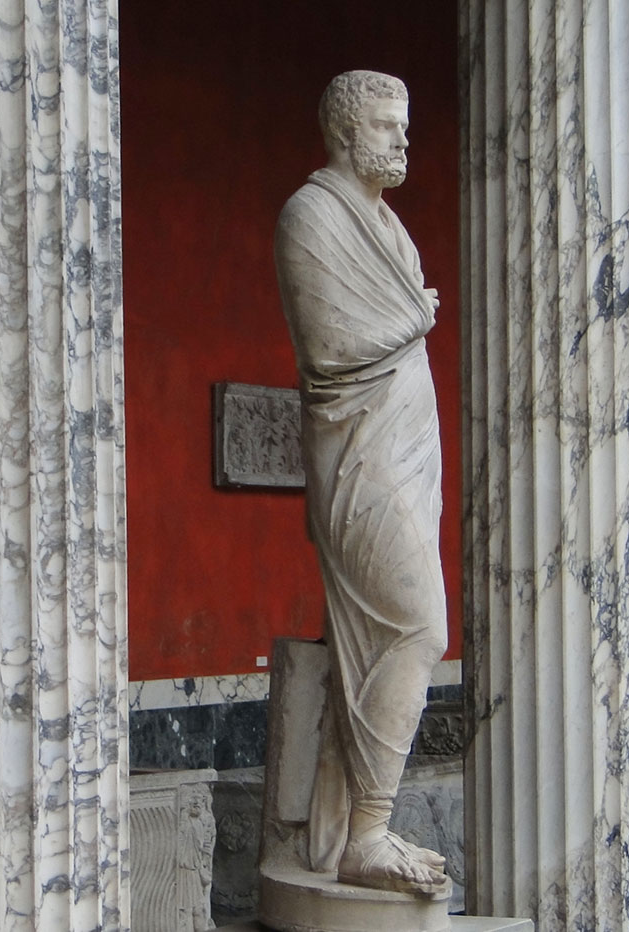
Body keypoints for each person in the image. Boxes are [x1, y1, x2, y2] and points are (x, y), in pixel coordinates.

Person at [274, 70, 449, 896]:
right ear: (345, 134)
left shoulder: (393, 228)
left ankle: (351, 834)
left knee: (375, 645)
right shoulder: (311, 215)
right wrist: (416, 317)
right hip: (356, 459)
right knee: (417, 627)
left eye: (404, 126)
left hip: (406, 456)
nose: (403, 142)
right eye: (387, 127)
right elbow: (329, 348)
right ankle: (368, 832)